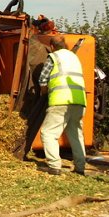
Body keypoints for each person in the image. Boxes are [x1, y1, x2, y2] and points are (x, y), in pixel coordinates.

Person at [38, 35, 87, 176]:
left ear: (52, 47)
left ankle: (54, 166)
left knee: (48, 133)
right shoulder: (74, 58)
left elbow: (42, 79)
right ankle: (80, 167)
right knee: (75, 134)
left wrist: (43, 93)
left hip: (60, 101)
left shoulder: (53, 57)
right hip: (79, 101)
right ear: (65, 45)